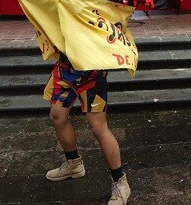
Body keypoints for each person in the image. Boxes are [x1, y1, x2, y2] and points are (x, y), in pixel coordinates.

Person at [43, 56, 131, 204]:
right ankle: (74, 164)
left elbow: (113, 34)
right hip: (65, 68)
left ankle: (120, 182)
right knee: (57, 116)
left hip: (91, 71)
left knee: (98, 127)